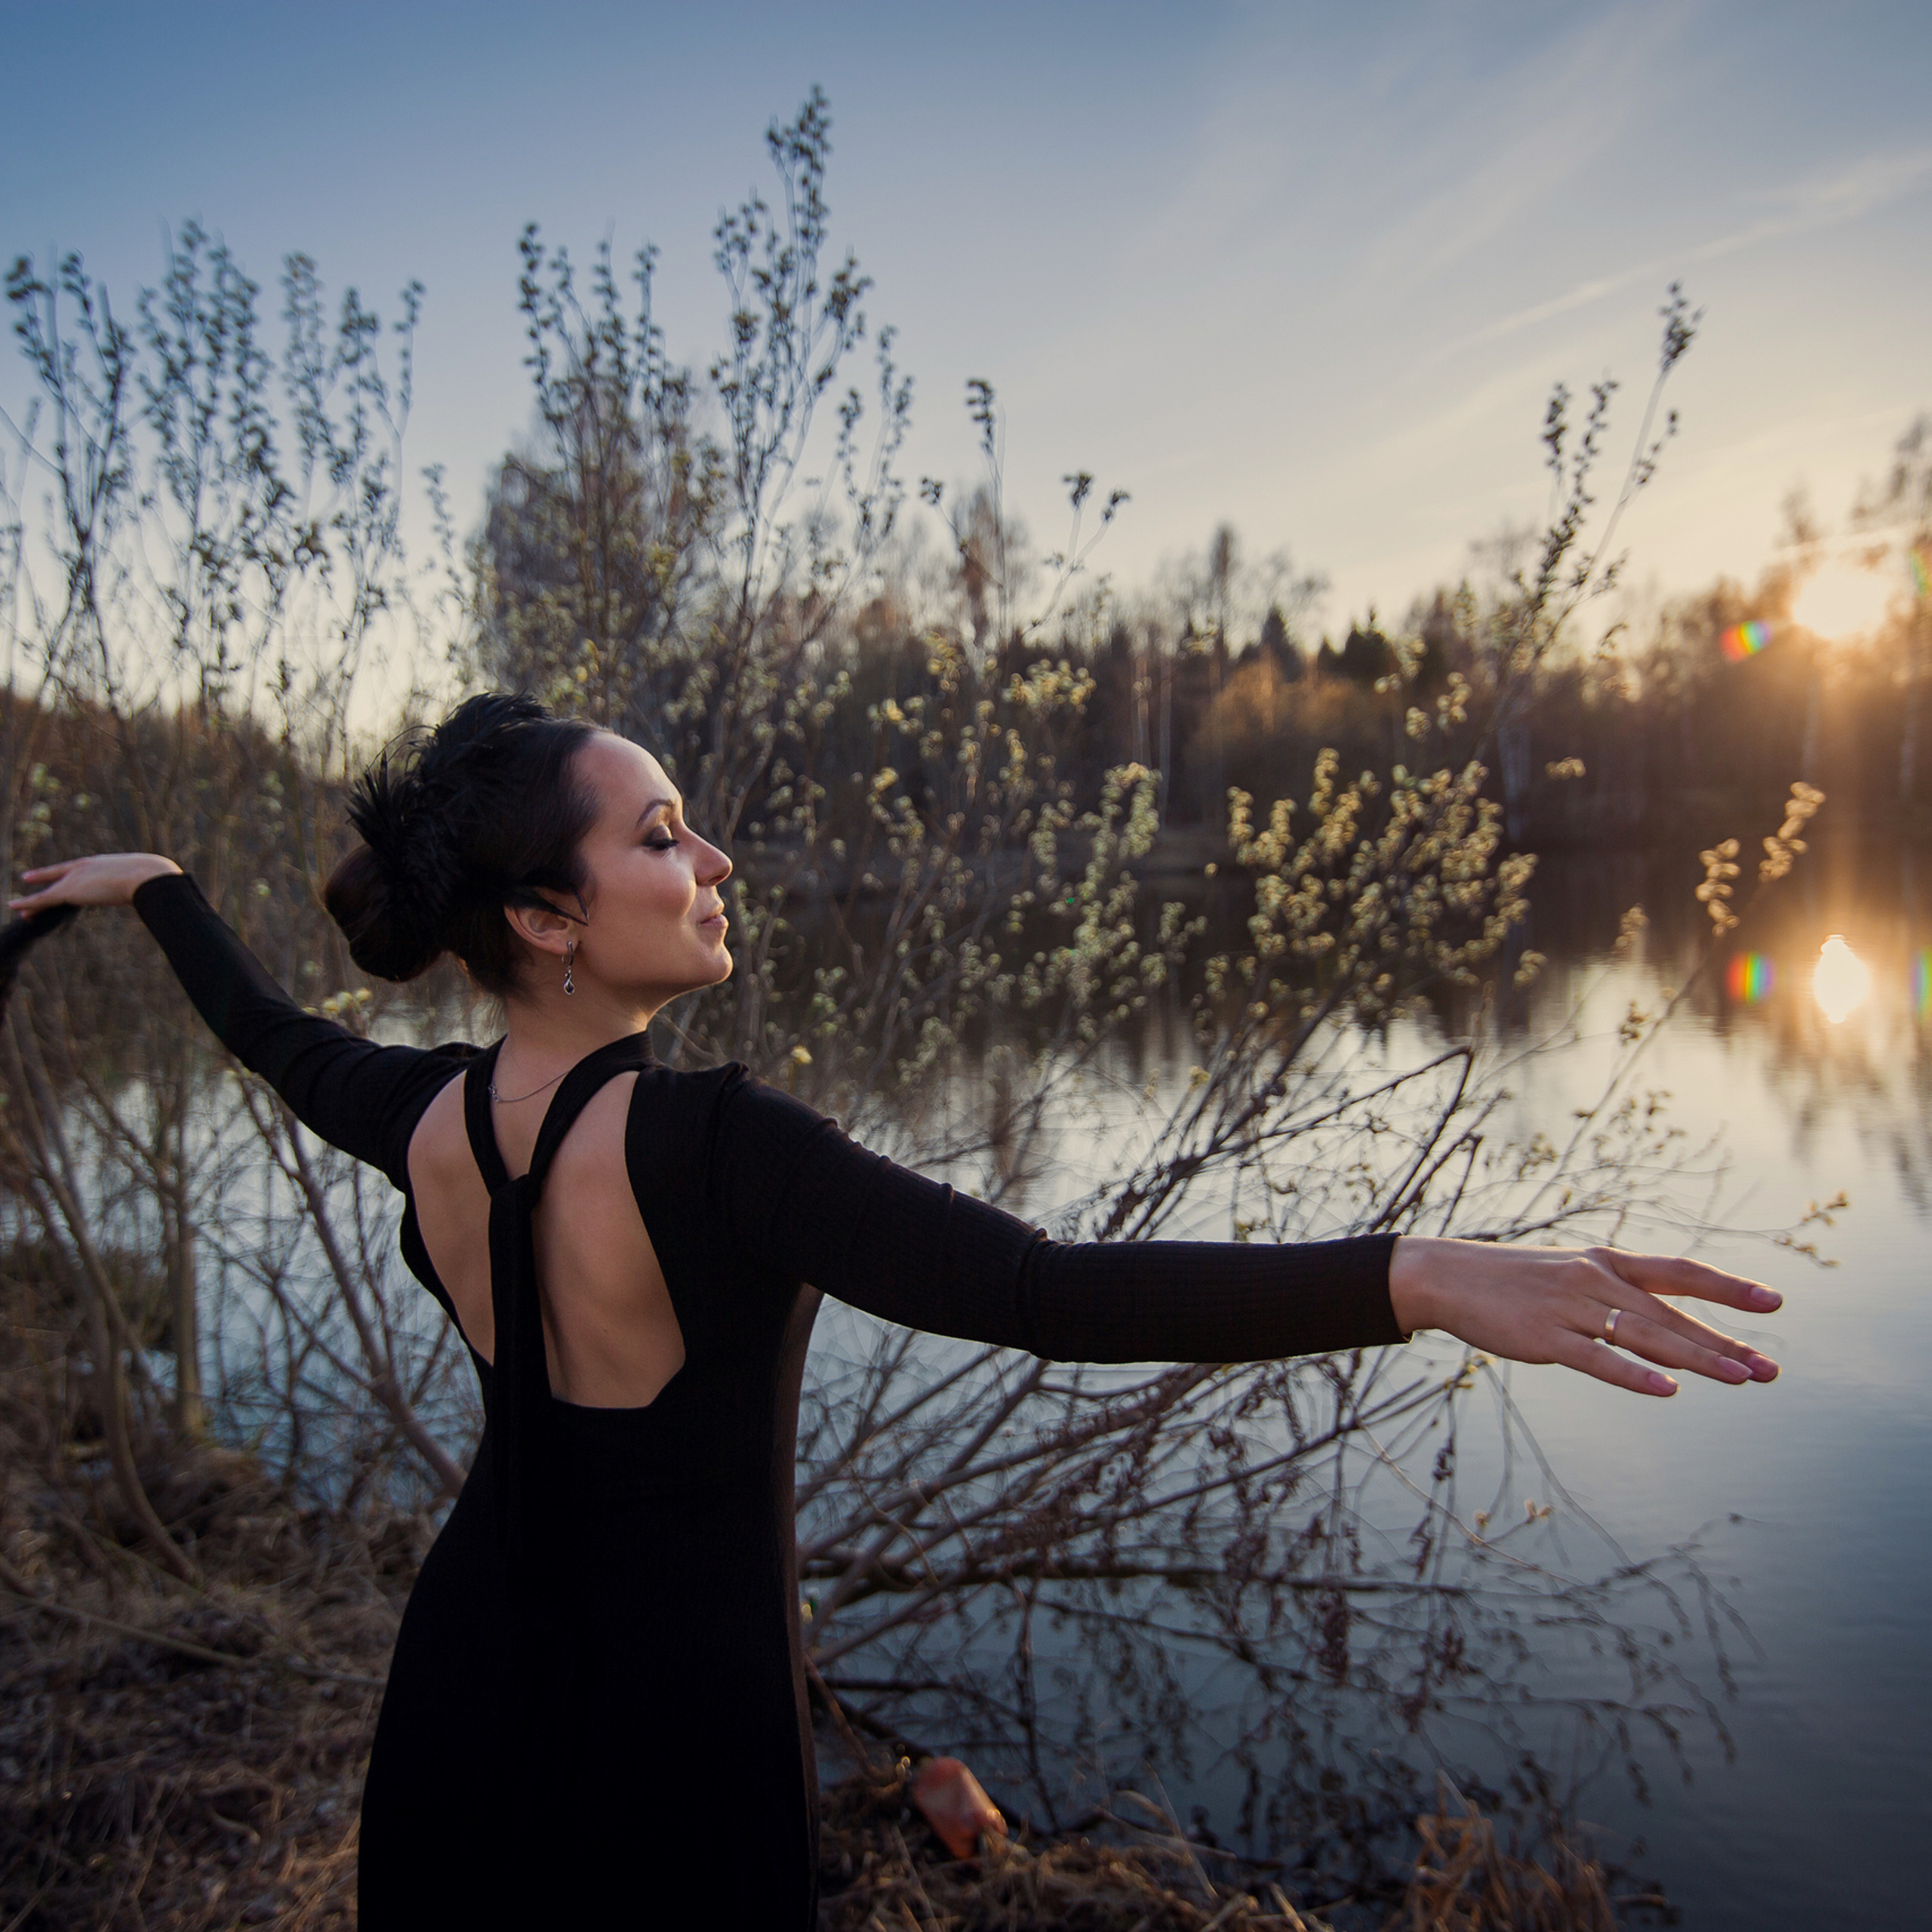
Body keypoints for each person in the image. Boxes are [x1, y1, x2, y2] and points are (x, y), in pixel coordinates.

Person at [7, 693, 1782, 1927]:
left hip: (467, 1681)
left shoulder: (425, 1119)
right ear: (547, 916)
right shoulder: (718, 1146)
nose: (715, 864)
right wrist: (1415, 1273)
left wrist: (157, 889)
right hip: (685, 1721)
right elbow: (1041, 1292)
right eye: (663, 835)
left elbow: (263, 1032)